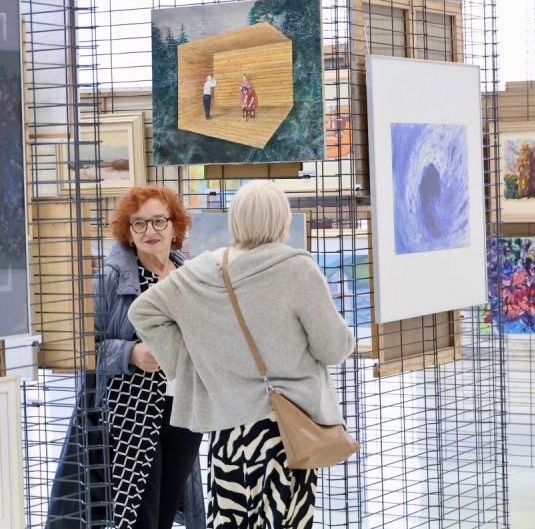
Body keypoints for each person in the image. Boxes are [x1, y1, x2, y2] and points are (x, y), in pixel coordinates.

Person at [128, 180, 354, 528]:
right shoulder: (296, 268)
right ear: (282, 220)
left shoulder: (204, 269)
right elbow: (333, 348)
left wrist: (188, 363)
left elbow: (142, 311)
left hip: (227, 432)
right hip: (285, 432)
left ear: (235, 219)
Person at [47, 186, 205, 529]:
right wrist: (129, 353)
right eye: (139, 223)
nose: (150, 231)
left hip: (184, 412)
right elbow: (80, 349)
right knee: (137, 516)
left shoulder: (191, 278)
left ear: (175, 226)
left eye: (159, 221)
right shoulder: (110, 280)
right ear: (128, 232)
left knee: (165, 511)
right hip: (131, 415)